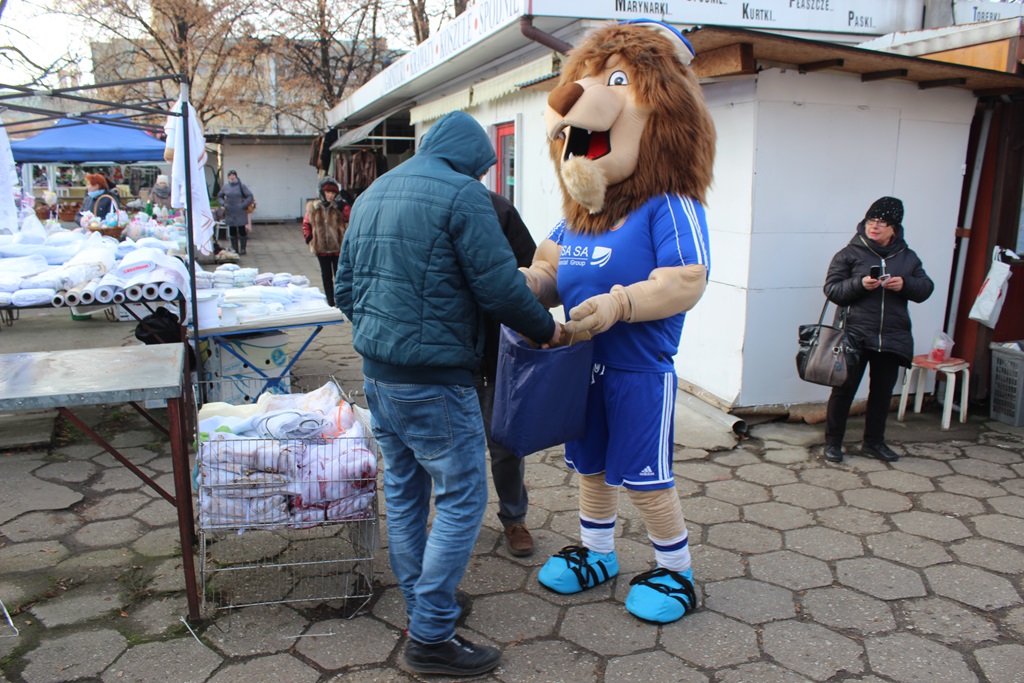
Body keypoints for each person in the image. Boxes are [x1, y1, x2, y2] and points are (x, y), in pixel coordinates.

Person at [336, 111, 560, 677]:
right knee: (462, 499)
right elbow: (501, 289)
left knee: (408, 494)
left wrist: (385, 339)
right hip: (436, 381)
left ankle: (423, 606)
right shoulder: (464, 197)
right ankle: (431, 638)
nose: (484, 178)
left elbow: (343, 290)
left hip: (378, 377)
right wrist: (548, 330)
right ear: (473, 161)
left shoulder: (372, 193)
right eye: (484, 168)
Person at [823, 197, 934, 464]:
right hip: (855, 334)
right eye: (871, 220)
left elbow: (926, 288)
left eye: (882, 223)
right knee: (843, 391)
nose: (874, 226)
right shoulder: (849, 253)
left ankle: (874, 443)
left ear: (894, 229)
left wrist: (904, 284)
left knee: (882, 394)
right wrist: (861, 284)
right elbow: (832, 290)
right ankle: (832, 444)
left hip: (892, 336)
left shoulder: (907, 257)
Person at [479, 190, 538, 557]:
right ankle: (455, 522)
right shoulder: (424, 204)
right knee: (451, 450)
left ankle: (514, 518)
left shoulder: (498, 209)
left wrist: (538, 330)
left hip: (495, 352)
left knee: (505, 444)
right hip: (442, 354)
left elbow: (530, 273)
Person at [303, 178, 350, 307]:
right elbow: (306, 223)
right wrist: (309, 238)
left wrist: (343, 206)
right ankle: (330, 301)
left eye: (333, 193)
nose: (331, 195)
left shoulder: (338, 207)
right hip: (321, 248)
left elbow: (349, 218)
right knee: (326, 275)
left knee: (339, 275)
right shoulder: (313, 207)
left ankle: (341, 300)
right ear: (322, 193)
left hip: (337, 247)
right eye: (328, 192)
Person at [216, 169, 254, 255]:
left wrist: (243, 205)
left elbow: (250, 196)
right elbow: (219, 196)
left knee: (241, 230)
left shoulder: (241, 186)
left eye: (233, 175)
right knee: (232, 230)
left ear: (236, 176)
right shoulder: (225, 187)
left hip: (240, 211)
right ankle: (235, 249)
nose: (232, 177)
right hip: (230, 211)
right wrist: (223, 204)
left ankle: (243, 249)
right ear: (228, 177)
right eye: (230, 175)